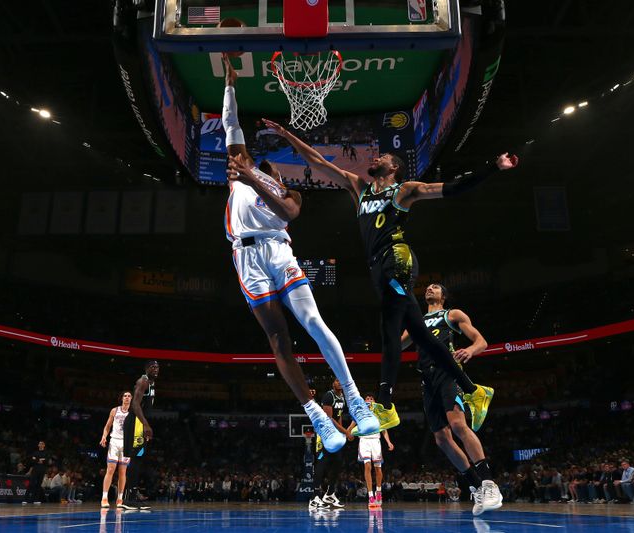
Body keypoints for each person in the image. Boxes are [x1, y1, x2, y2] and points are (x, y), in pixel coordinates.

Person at [261, 118, 518, 433]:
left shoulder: (404, 191)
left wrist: (492, 167)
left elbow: (450, 188)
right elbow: (316, 161)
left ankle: (384, 404)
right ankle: (474, 391)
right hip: (377, 266)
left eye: (381, 157)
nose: (375, 158)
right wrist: (288, 136)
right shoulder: (360, 189)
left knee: (389, 329)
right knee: (421, 335)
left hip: (395, 259)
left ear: (394, 167)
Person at [222, 55, 379, 455]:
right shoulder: (240, 177)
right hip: (246, 258)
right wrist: (230, 82)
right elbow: (231, 124)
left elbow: (288, 213)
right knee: (278, 340)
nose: (260, 166)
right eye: (258, 165)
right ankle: (316, 415)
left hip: (278, 252)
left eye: (267, 168)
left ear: (277, 175)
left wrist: (254, 178)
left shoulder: (285, 190)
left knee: (312, 320)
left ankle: (355, 399)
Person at [401, 283, 502, 515]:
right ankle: (476, 487)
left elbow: (481, 341)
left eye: (435, 287)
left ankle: (489, 483)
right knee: (441, 439)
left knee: (458, 425)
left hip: (447, 374)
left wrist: (470, 350)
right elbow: (399, 344)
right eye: (427, 287)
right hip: (427, 380)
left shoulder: (452, 314)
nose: (430, 289)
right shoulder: (417, 321)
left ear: (443, 296)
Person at [121, 361, 159, 509]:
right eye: (152, 367)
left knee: (138, 460)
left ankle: (132, 495)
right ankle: (128, 499)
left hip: (140, 423)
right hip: (136, 423)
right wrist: (145, 424)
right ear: (146, 369)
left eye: (157, 367)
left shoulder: (150, 383)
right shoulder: (143, 381)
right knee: (135, 460)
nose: (155, 369)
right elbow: (135, 404)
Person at [347, 394, 394, 509]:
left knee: (378, 469)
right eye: (366, 399)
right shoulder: (359, 413)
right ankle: (370, 496)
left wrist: (388, 442)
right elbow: (350, 427)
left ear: (374, 401)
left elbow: (384, 430)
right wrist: (347, 434)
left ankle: (378, 492)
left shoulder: (378, 413)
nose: (368, 400)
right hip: (364, 441)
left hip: (375, 441)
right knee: (367, 467)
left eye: (371, 398)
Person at [309, 378, 349, 511]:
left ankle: (330, 494)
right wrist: (346, 432)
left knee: (338, 462)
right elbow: (330, 419)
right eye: (336, 381)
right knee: (321, 464)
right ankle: (315, 498)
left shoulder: (342, 397)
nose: (339, 382)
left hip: (335, 435)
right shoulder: (328, 396)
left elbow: (339, 417)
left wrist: (343, 433)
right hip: (324, 434)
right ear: (333, 383)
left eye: (340, 380)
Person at [100, 391, 132, 508]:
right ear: (122, 398)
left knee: (123, 471)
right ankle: (104, 497)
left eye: (129, 396)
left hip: (126, 443)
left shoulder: (133, 412)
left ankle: (120, 498)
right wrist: (104, 436)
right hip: (114, 441)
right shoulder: (114, 410)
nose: (127, 398)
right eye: (125, 396)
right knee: (110, 469)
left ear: (132, 398)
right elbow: (108, 426)